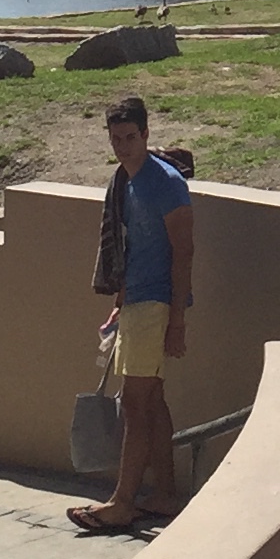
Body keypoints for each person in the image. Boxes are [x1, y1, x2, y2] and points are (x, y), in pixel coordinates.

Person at [71, 95, 193, 533]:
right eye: (116, 139)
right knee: (152, 401)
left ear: (145, 134)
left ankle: (121, 502)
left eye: (129, 137)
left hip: (156, 304)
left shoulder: (165, 183)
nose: (122, 146)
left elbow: (184, 251)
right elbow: (133, 248)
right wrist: (120, 303)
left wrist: (176, 321)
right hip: (137, 302)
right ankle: (165, 494)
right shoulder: (127, 181)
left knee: (136, 405)